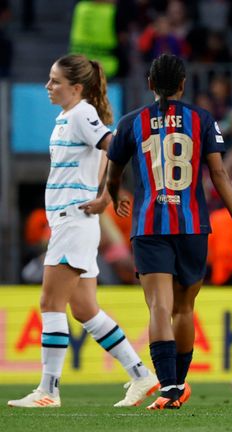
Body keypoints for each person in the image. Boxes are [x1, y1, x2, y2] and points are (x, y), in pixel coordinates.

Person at [8, 55, 159, 408]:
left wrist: (108, 193)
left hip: (72, 220)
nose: (48, 87)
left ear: (76, 88)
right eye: (49, 79)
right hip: (73, 221)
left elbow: (115, 144)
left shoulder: (81, 113)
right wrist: (105, 190)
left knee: (50, 302)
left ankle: (48, 390)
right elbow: (109, 145)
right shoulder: (70, 117)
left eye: (55, 81)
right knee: (86, 309)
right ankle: (141, 375)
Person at [104, 54, 232, 410]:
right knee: (183, 308)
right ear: (183, 84)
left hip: (149, 225)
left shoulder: (130, 122)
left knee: (159, 306)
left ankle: (168, 386)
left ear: (151, 85)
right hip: (192, 226)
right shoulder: (201, 119)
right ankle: (177, 385)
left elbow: (113, 172)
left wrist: (113, 195)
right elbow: (218, 174)